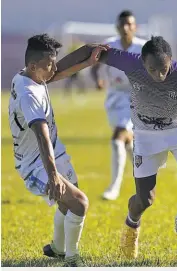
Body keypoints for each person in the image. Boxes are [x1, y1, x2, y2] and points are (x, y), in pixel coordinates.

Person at [72, 36, 177, 264]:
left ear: (171, 62)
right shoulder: (131, 62)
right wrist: (55, 72)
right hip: (145, 134)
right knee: (145, 199)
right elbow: (93, 52)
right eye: (153, 69)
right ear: (142, 61)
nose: (159, 75)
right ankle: (131, 226)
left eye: (163, 69)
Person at [8, 34, 107, 266]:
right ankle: (72, 259)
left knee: (69, 202)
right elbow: (41, 136)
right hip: (35, 165)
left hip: (54, 151)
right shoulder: (28, 94)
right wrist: (53, 175)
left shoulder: (30, 75)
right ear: (34, 65)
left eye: (54, 61)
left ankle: (57, 248)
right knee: (80, 203)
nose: (54, 67)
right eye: (49, 63)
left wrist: (87, 57)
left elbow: (59, 72)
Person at [91, 10, 146, 200]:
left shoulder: (143, 48)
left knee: (117, 138)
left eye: (129, 24)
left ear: (135, 27)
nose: (125, 28)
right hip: (114, 97)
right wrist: (97, 79)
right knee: (126, 139)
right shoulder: (109, 46)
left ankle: (114, 188)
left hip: (136, 97)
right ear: (117, 27)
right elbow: (95, 64)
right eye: (122, 24)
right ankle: (145, 174)